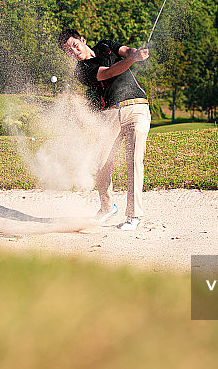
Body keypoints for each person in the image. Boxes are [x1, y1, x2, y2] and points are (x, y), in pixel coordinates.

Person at [58, 29, 151, 231]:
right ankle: (107, 207)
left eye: (75, 45)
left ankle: (133, 215)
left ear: (83, 40)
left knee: (133, 160)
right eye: (68, 51)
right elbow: (109, 73)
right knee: (100, 164)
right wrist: (133, 59)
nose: (74, 51)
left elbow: (126, 50)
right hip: (110, 114)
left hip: (137, 107)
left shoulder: (105, 45)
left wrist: (137, 52)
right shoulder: (81, 70)